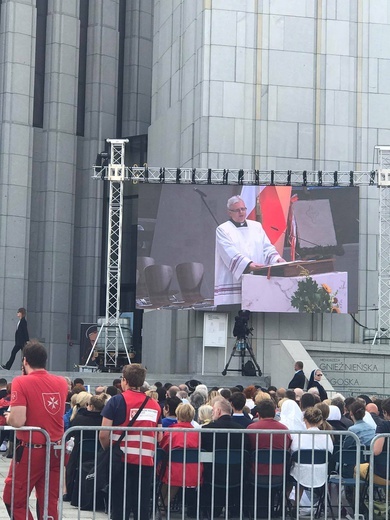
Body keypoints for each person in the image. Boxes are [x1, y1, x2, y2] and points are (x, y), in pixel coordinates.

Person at [2, 340, 68, 520]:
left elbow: (18, 419)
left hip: (31, 450)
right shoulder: (61, 382)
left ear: (24, 361)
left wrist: (8, 417)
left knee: (13, 497)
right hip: (55, 450)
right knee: (48, 502)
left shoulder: (21, 382)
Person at [99, 364, 162, 520]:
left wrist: (109, 448)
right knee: (141, 506)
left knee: (120, 505)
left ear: (124, 381)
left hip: (121, 460)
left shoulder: (116, 401)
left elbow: (103, 434)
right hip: (146, 461)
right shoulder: (155, 405)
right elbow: (159, 436)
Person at [214, 195, 285, 305]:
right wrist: (248, 265)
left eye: (243, 209)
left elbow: (266, 247)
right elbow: (229, 252)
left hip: (257, 278)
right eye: (237, 210)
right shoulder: (223, 230)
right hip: (234, 281)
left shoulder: (256, 226)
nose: (241, 212)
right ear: (229, 212)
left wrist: (277, 259)